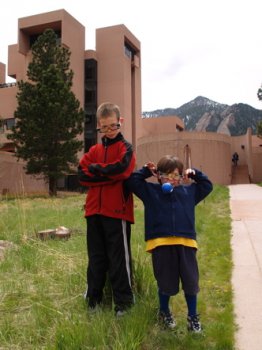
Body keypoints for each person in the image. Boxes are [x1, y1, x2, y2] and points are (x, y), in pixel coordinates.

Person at [126, 155, 213, 332]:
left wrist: (194, 173)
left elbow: (207, 185)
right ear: (158, 176)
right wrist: (145, 171)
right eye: (166, 175)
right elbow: (132, 182)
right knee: (166, 283)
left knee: (191, 282)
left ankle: (193, 317)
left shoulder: (189, 192)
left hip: (186, 242)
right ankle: (164, 311)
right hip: (161, 243)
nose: (171, 179)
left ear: (181, 177)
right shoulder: (151, 191)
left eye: (175, 175)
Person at [78, 102, 136, 316]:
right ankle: (94, 299)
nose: (109, 131)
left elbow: (122, 170)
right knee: (96, 257)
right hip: (93, 212)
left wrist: (96, 172)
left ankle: (124, 302)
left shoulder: (126, 149)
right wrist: (106, 177)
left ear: (120, 122)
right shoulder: (94, 150)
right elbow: (81, 175)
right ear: (99, 126)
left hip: (117, 212)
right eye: (104, 127)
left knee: (118, 258)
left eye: (113, 126)